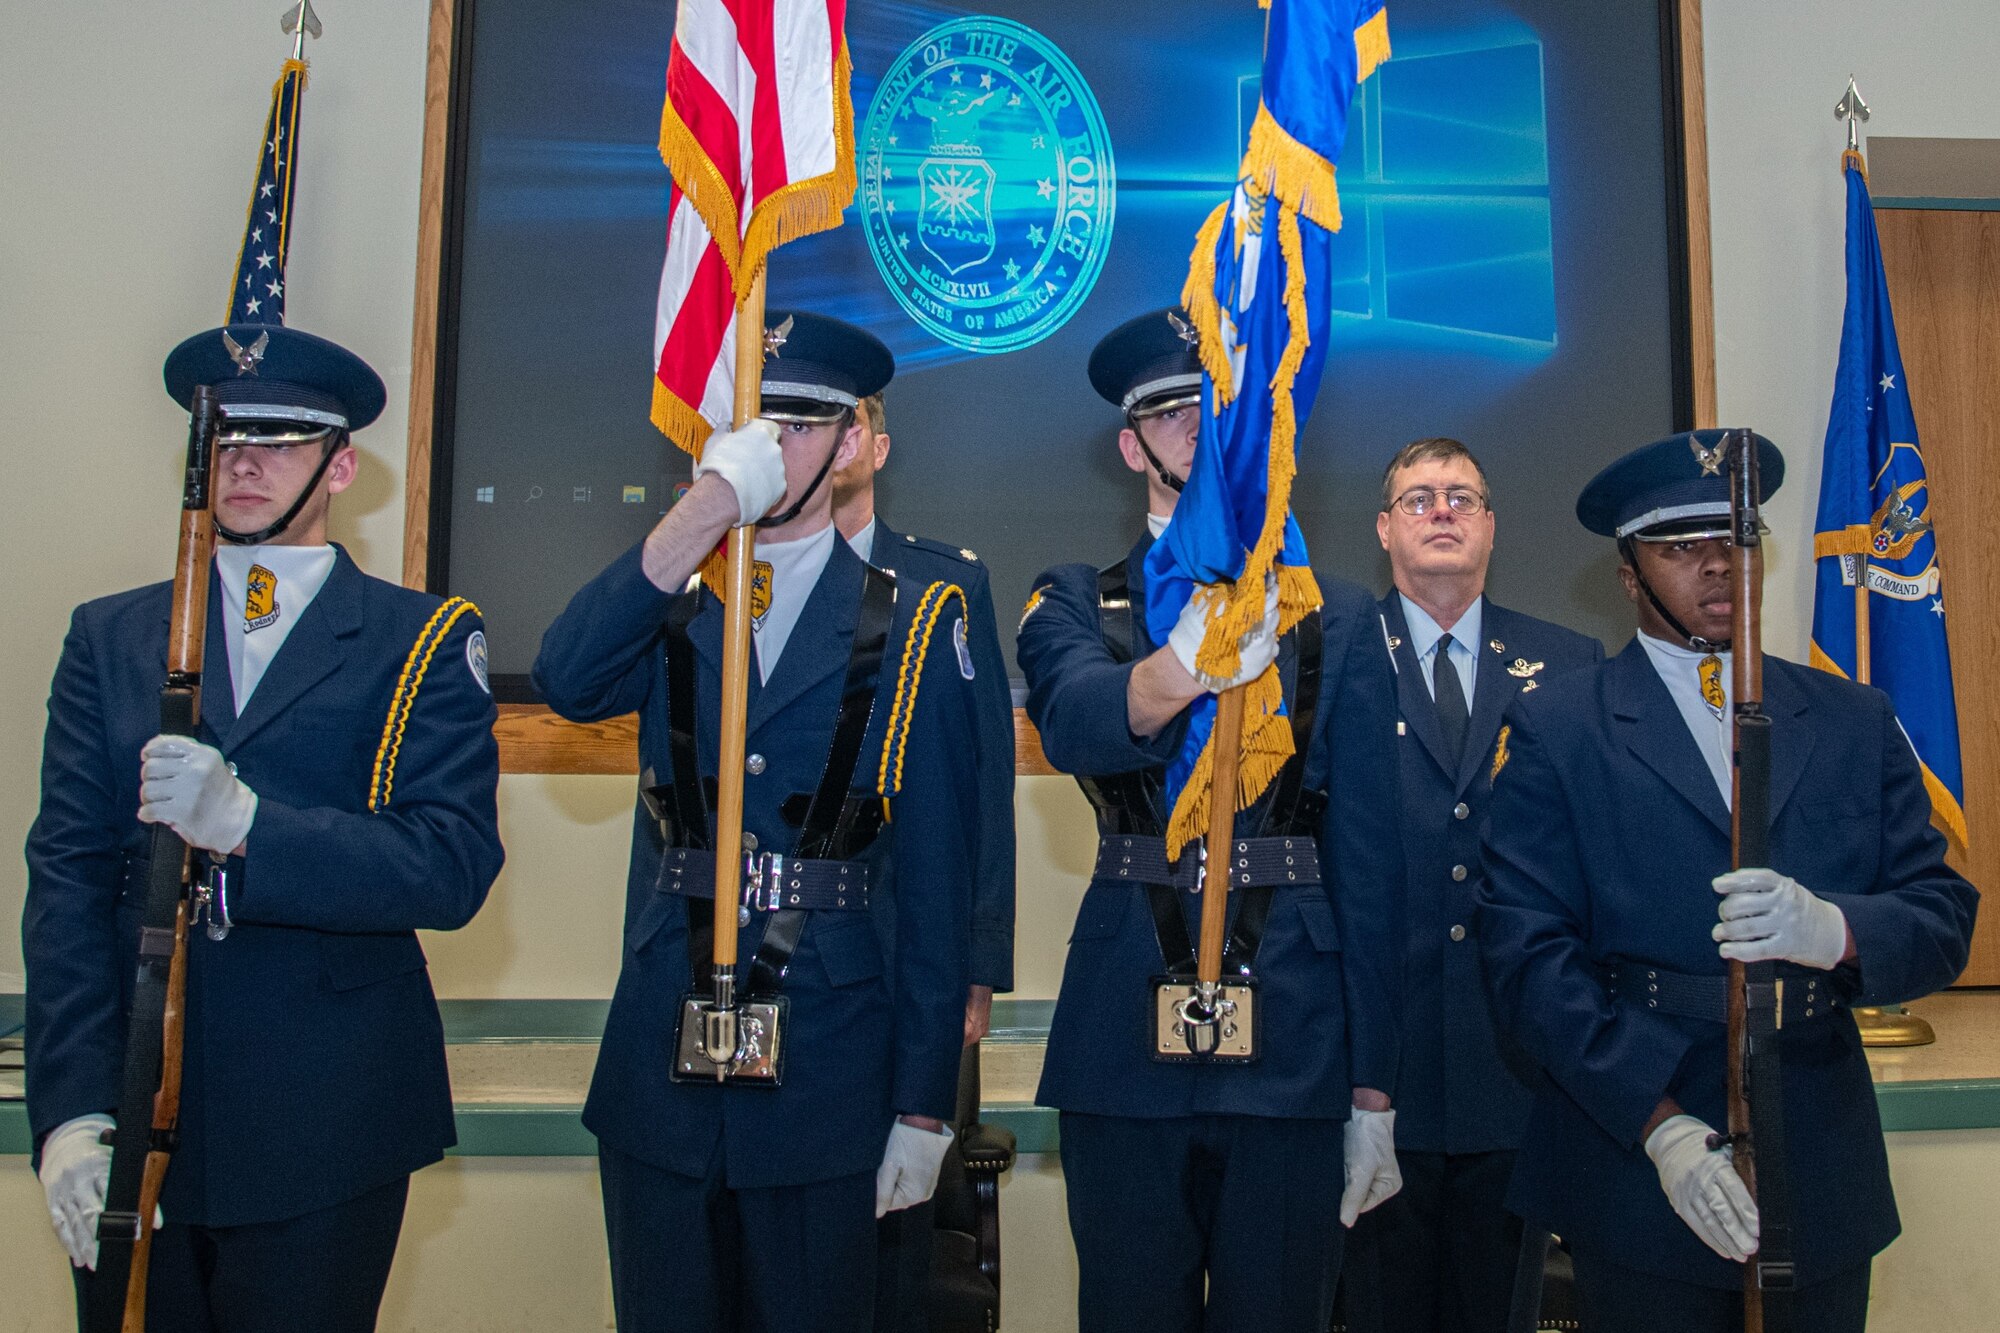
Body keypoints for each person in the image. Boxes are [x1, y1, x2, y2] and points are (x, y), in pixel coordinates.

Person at [26, 323, 505, 1331]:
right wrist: (69, 1112)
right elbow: (67, 879)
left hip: (325, 1117)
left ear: (340, 465)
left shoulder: (416, 639)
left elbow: (450, 866)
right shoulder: (113, 635)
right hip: (137, 1100)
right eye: (226, 439)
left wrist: (252, 825)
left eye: (279, 440)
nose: (244, 462)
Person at [534, 310, 982, 1333]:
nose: (774, 446)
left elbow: (938, 869)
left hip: (830, 1066)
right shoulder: (671, 600)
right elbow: (566, 678)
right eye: (751, 423)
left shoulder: (914, 618)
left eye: (798, 423)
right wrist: (700, 513)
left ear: (846, 438)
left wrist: (923, 1103)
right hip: (662, 1061)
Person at [1477, 430, 1979, 1332]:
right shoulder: (1562, 727)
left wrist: (1837, 929)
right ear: (1629, 573)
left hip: (1817, 1146)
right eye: (1681, 548)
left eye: (1734, 542)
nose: (1717, 567)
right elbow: (1527, 956)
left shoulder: (1851, 718)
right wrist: (1658, 1124)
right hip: (1637, 1157)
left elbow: (1943, 912)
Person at [1016, 308, 1405, 1333]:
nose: (1194, 426)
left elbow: (1368, 857)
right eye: (1167, 411)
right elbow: (1075, 723)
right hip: (1122, 1027)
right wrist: (1178, 666)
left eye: (1216, 407)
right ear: (1128, 441)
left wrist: (1373, 1089)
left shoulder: (1336, 616)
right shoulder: (1077, 601)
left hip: (1295, 1027)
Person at [1342, 438, 1602, 1333]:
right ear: (1383, 529)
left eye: (1461, 496)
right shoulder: (1330, 657)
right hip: (1376, 1062)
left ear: (1492, 524)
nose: (1441, 510)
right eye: (1417, 499)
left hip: (1516, 1066)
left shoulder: (1569, 665)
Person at [835, 391, 1017, 1333]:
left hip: (910, 950)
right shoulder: (734, 579)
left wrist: (978, 962)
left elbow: (986, 779)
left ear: (879, 444)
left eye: (847, 421)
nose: (827, 440)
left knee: (888, 1241)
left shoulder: (945, 586)